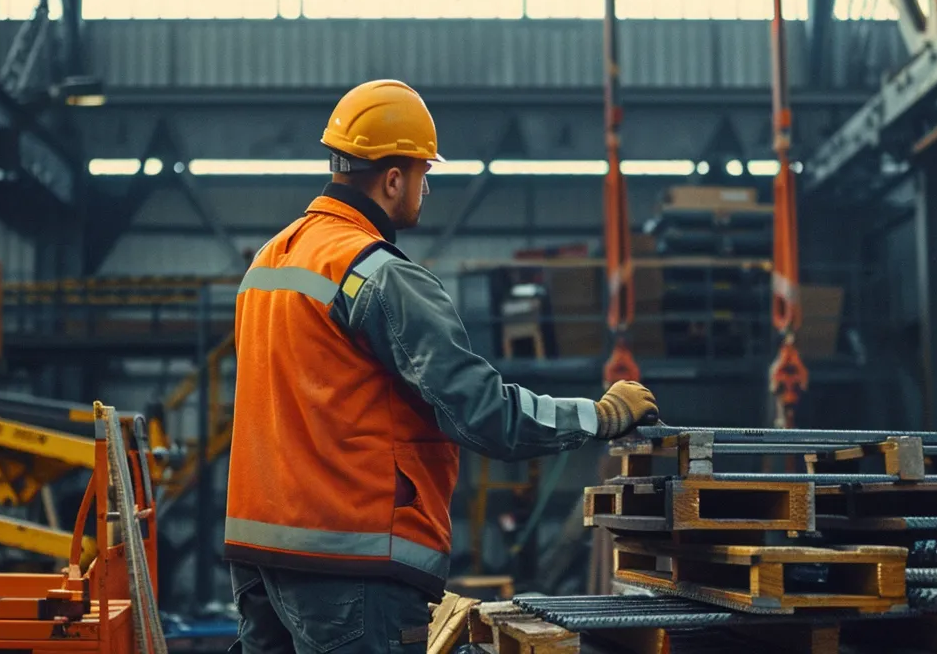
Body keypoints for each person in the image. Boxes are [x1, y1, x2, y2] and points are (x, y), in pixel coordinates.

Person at [224, 79, 661, 653]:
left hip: (260, 561)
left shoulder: (268, 263)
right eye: (424, 173)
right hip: (352, 565)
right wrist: (600, 416)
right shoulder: (378, 275)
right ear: (393, 177)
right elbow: (483, 412)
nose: (426, 188)